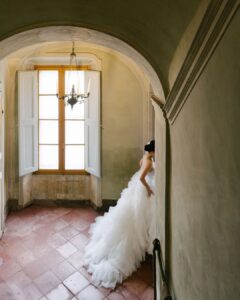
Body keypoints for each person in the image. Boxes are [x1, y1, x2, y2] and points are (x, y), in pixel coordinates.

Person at [83, 140, 156, 289]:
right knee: (138, 219)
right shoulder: (149, 161)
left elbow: (139, 164)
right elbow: (142, 177)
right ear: (153, 151)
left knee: (135, 217)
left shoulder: (146, 156)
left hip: (136, 188)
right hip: (142, 189)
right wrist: (148, 189)